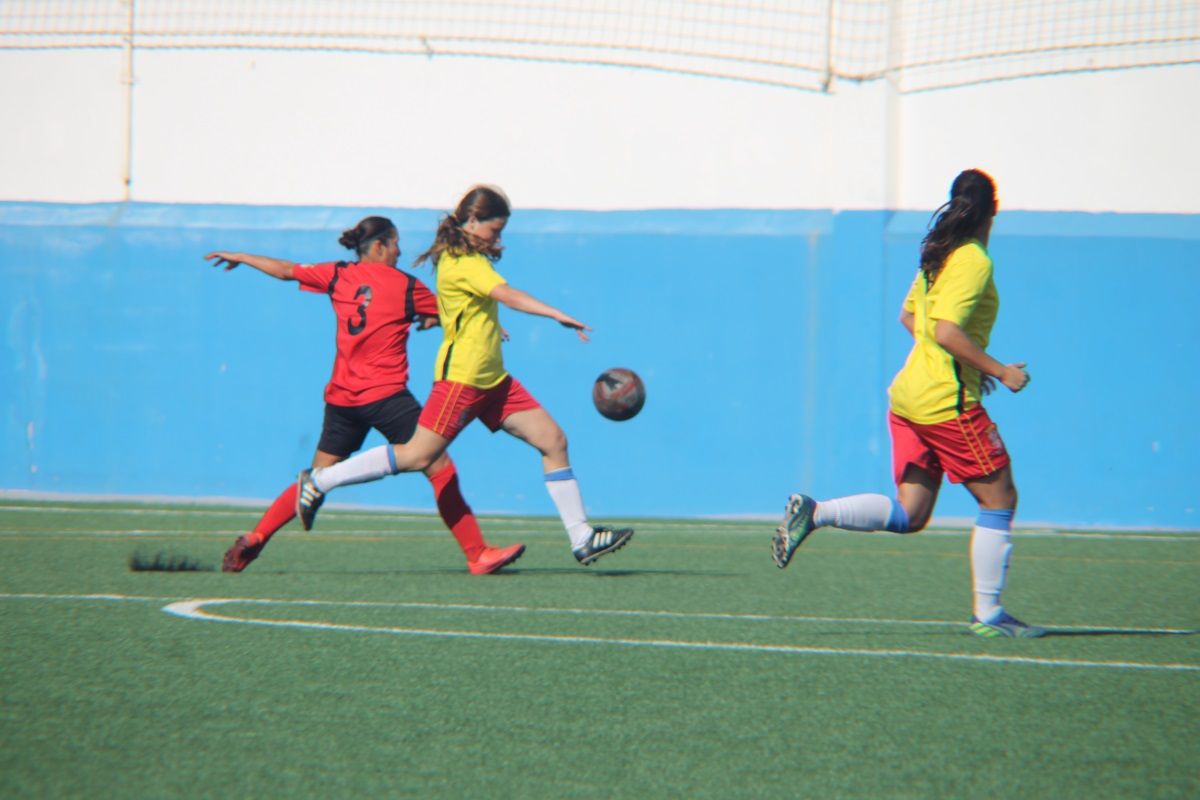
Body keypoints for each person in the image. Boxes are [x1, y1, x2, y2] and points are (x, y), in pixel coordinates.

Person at [294, 186, 633, 565]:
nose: (498, 238)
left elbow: (464, 305)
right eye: (495, 229)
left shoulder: (465, 258)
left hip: (494, 381)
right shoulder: (464, 262)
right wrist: (555, 314)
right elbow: (508, 295)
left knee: (554, 440)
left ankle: (582, 537)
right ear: (472, 221)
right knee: (417, 456)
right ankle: (320, 480)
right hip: (463, 380)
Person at [772, 169, 1044, 638]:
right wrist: (998, 369)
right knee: (1000, 498)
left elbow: (910, 317)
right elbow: (944, 330)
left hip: (909, 397)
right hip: (944, 403)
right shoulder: (974, 259)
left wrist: (967, 364)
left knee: (911, 514)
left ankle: (815, 512)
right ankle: (990, 615)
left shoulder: (937, 254)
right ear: (993, 210)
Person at [205, 215, 525, 575]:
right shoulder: (406, 286)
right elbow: (456, 312)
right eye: (395, 244)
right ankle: (477, 553)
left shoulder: (339, 274)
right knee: (438, 467)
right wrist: (493, 327)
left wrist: (241, 256)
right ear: (379, 246)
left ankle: (257, 537)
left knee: (317, 480)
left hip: (342, 400)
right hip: (386, 398)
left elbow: (284, 269)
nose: (400, 251)